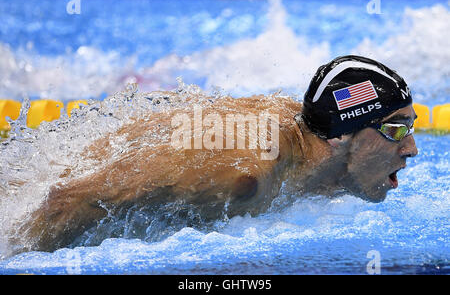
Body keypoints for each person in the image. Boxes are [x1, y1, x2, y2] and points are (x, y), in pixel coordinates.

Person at [16, 55, 418, 252]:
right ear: (342, 137)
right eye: (396, 129)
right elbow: (66, 201)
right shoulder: (243, 174)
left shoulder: (309, 137)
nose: (411, 148)